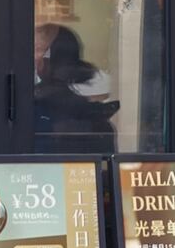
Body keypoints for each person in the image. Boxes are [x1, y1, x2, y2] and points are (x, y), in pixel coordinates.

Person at [33, 24, 119, 154]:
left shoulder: (39, 108)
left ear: (53, 56)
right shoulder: (100, 121)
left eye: (38, 49)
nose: (34, 57)